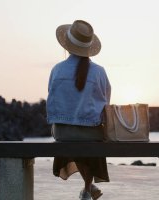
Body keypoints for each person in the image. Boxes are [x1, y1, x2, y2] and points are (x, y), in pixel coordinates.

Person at [46, 20, 111, 200]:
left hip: (62, 133)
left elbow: (52, 98)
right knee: (90, 136)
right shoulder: (99, 71)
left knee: (73, 135)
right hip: (92, 134)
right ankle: (87, 189)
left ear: (67, 45)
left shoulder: (57, 70)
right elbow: (106, 103)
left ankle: (87, 190)